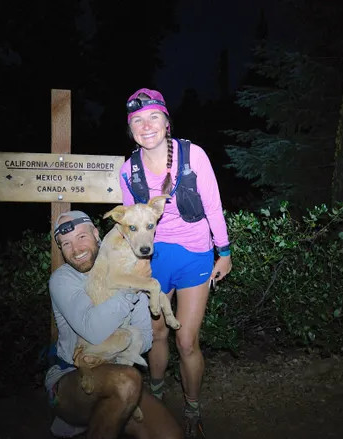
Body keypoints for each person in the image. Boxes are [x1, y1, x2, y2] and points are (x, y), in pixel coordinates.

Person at [119, 88, 232, 438]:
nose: (146, 125)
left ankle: (192, 407)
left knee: (186, 341)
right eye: (137, 120)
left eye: (153, 117)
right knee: (156, 334)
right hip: (153, 260)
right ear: (130, 130)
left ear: (167, 122)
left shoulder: (192, 155)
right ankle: (154, 398)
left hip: (195, 255)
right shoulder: (128, 169)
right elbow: (129, 223)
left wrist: (224, 252)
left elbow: (212, 206)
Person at [45, 210, 183, 439]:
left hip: (118, 374)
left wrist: (122, 343)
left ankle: (113, 411)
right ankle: (73, 419)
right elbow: (93, 332)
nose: (76, 249)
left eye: (81, 237)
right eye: (66, 244)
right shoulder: (63, 279)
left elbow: (145, 339)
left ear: (96, 234)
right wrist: (130, 288)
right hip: (69, 376)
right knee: (127, 381)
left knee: (170, 435)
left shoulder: (127, 268)